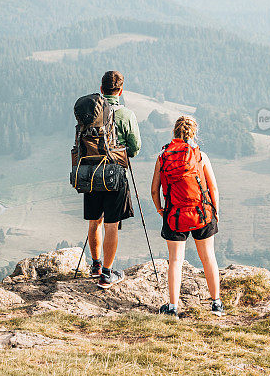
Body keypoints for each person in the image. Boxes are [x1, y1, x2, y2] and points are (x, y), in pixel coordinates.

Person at [151, 115, 224, 317]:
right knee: (208, 257)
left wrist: (161, 210)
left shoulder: (163, 156)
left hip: (174, 214)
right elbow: (213, 188)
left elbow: (154, 189)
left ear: (174, 132)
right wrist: (215, 212)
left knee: (175, 260)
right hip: (202, 212)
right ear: (194, 133)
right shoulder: (200, 156)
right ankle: (216, 303)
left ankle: (173, 307)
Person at [85, 70, 141, 289]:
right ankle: (107, 275)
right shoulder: (126, 114)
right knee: (111, 225)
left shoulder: (90, 111)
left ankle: (96, 265)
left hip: (89, 173)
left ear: (101, 88)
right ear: (120, 90)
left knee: (94, 221)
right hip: (114, 174)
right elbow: (135, 149)